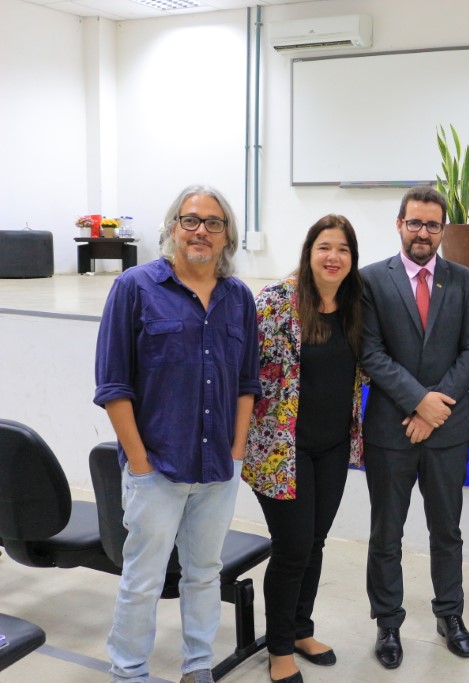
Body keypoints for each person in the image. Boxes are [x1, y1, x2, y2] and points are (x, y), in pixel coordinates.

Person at [94, 185, 259, 683]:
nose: (201, 231)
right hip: (157, 469)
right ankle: (129, 671)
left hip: (217, 469)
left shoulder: (238, 298)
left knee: (204, 574)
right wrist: (139, 462)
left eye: (213, 223)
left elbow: (246, 384)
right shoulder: (135, 287)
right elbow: (113, 385)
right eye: (191, 220)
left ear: (227, 235)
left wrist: (235, 453)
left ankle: (198, 665)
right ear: (173, 227)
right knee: (142, 580)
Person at [360, 186, 469, 669]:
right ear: (399, 224)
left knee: (447, 531)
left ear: (442, 230)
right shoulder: (372, 280)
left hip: (447, 431)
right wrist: (418, 402)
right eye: (414, 223)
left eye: (433, 225)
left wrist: (435, 408)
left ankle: (449, 615)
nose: (423, 233)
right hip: (390, 430)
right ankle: (388, 623)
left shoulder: (465, 281)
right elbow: (371, 353)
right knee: (386, 534)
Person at [243, 215, 366, 683]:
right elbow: (245, 373)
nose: (333, 257)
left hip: (333, 447)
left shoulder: (355, 306)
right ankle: (278, 649)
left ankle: (300, 630)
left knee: (314, 543)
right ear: (309, 252)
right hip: (281, 450)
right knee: (292, 548)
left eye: (343, 249)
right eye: (324, 247)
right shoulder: (277, 302)